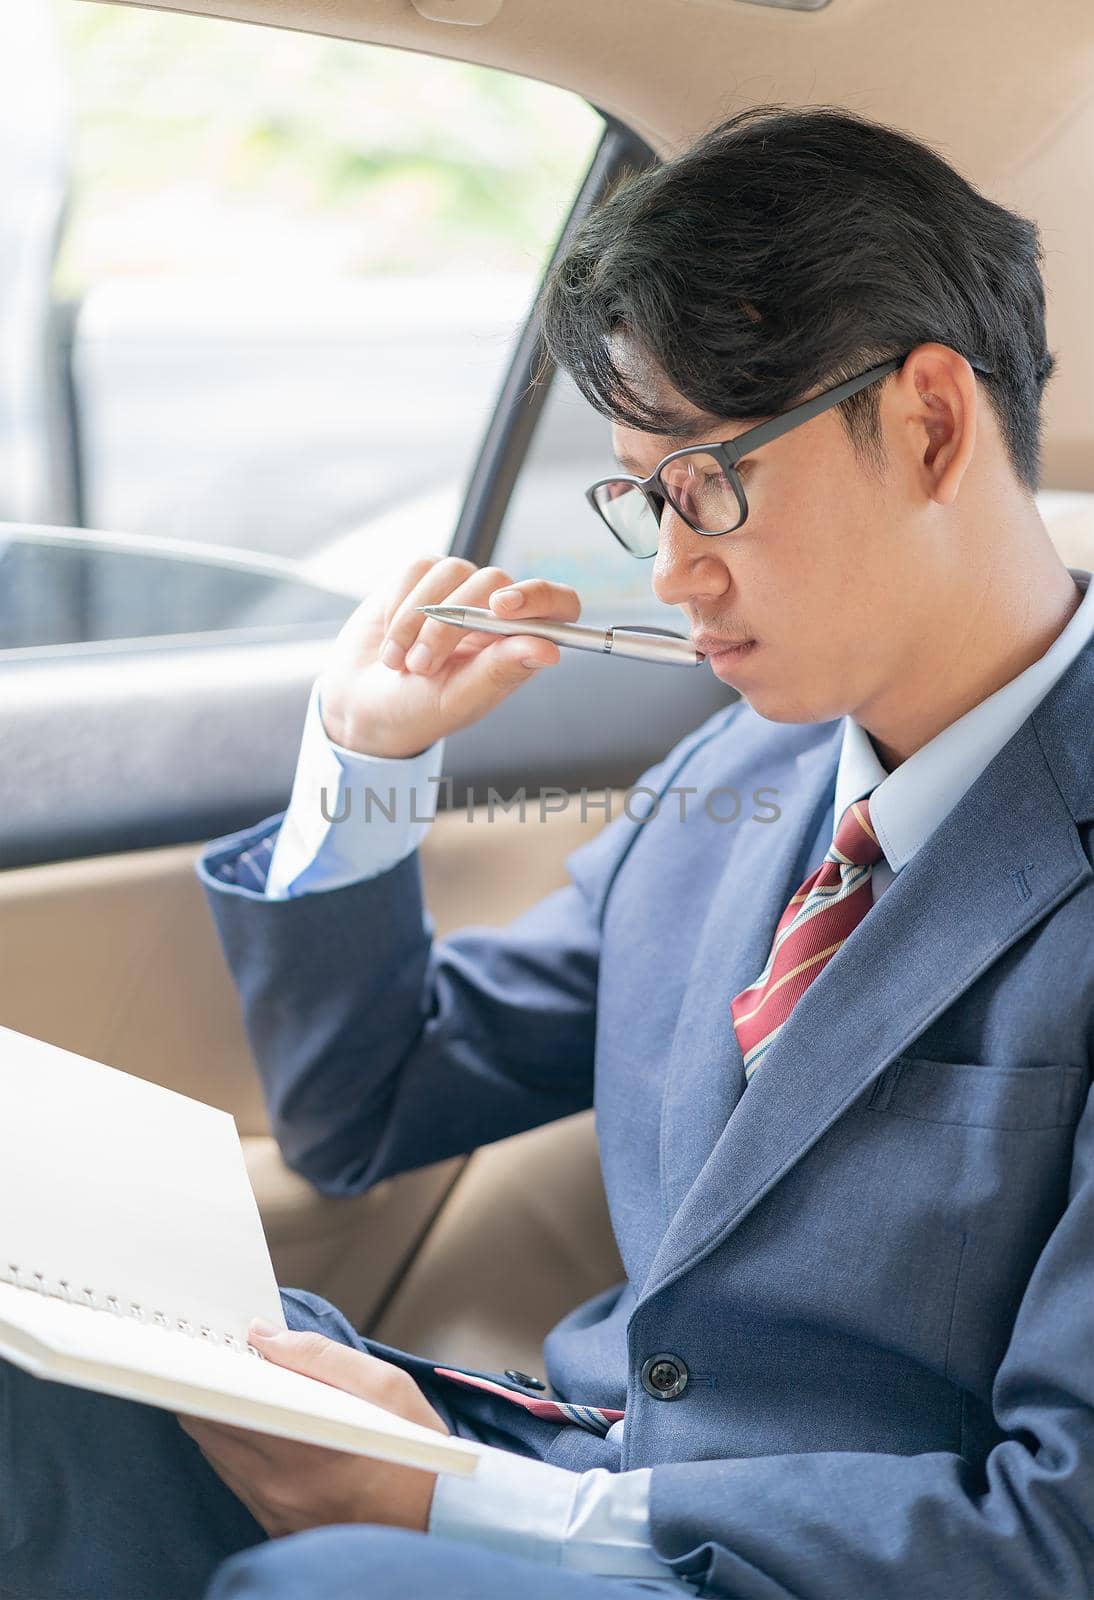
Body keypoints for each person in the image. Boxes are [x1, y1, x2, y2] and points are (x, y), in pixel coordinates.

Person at [4, 102, 1093, 1600]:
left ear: (925, 421)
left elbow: (1062, 1530)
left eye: (706, 479)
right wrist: (370, 769)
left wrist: (469, 1513)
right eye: (642, 491)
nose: (667, 566)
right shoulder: (745, 771)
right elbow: (365, 1108)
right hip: (558, 1478)